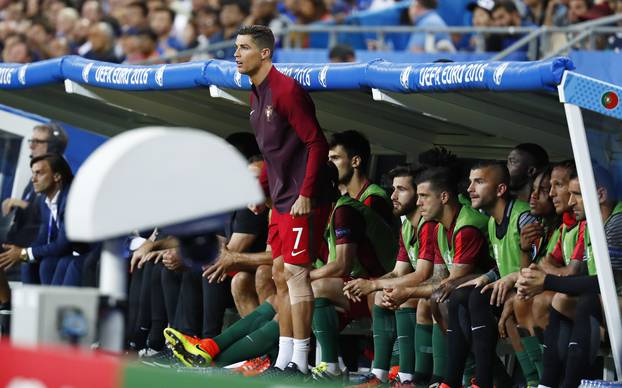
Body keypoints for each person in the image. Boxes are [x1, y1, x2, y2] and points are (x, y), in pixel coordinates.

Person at [169, 25, 336, 377]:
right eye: (235, 48)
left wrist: (306, 193)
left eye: (243, 48)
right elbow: (272, 154)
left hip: (302, 200)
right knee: (277, 272)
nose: (236, 54)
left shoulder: (287, 90)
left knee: (295, 274)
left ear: (265, 53)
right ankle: (283, 358)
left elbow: (316, 144)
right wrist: (258, 190)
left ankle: (301, 363)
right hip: (279, 200)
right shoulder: (256, 93)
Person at [381, 166, 491, 386]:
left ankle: (456, 378)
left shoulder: (466, 226)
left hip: (490, 294)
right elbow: (440, 278)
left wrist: (407, 292)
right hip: (467, 298)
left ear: (443, 197)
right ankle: (425, 378)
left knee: (441, 300)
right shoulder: (441, 227)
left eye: (423, 196)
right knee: (436, 300)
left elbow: (451, 282)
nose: (419, 202)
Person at [517, 165, 622, 387]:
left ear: (600, 195)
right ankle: (547, 382)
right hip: (607, 303)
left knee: (587, 300)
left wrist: (546, 281)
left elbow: (608, 284)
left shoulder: (617, 223)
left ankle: (570, 383)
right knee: (562, 299)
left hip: (610, 300)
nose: (571, 202)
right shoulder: (592, 226)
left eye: (577, 195)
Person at [309, 130, 397, 382]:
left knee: (309, 290)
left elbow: (365, 255)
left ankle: (372, 373)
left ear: (356, 161)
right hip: (353, 283)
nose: (329, 165)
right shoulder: (341, 204)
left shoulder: (370, 200)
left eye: (335, 158)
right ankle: (220, 350)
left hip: (375, 284)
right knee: (289, 302)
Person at [441, 161, 536, 388]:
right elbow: (502, 263)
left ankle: (484, 382)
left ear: (500, 189)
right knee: (458, 296)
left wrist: (508, 279)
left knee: (477, 297)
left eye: (479, 182)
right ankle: (451, 381)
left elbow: (537, 262)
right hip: (507, 288)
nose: (470, 189)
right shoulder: (493, 221)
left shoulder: (524, 217)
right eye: (471, 181)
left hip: (528, 290)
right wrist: (487, 277)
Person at [343, 164, 438, 387]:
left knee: (399, 295)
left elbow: (423, 273)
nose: (393, 196)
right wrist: (368, 284)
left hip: (442, 288)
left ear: (419, 195)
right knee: (380, 294)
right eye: (393, 189)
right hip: (428, 287)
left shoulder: (428, 226)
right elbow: (399, 271)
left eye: (401, 190)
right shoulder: (407, 227)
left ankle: (407, 377)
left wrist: (374, 284)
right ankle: (380, 374)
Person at [0, 154, 82, 286]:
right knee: (33, 263)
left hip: (89, 253)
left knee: (57, 263)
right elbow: (43, 238)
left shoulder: (71, 198)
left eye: (39, 173)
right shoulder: (44, 201)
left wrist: (23, 253)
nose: (33, 179)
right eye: (33, 173)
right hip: (68, 252)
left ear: (57, 176)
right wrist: (21, 254)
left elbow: (63, 244)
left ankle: (51, 306)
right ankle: (29, 305)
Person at [2, 122, 68, 285]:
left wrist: (24, 253)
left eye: (37, 142)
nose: (31, 146)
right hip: (25, 240)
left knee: (40, 264)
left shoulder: (58, 178)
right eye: (31, 141)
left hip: (34, 243)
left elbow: (50, 225)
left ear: (53, 147)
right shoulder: (36, 179)